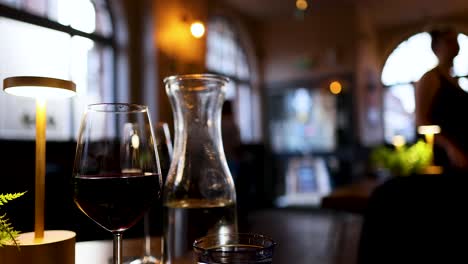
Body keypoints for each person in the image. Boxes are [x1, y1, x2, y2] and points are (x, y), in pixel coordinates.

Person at [415, 25, 468, 173]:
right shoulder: (430, 78)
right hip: (447, 158)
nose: (455, 45)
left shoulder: (454, 79)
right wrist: (449, 147)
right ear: (436, 47)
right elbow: (420, 120)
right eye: (449, 41)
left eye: (456, 40)